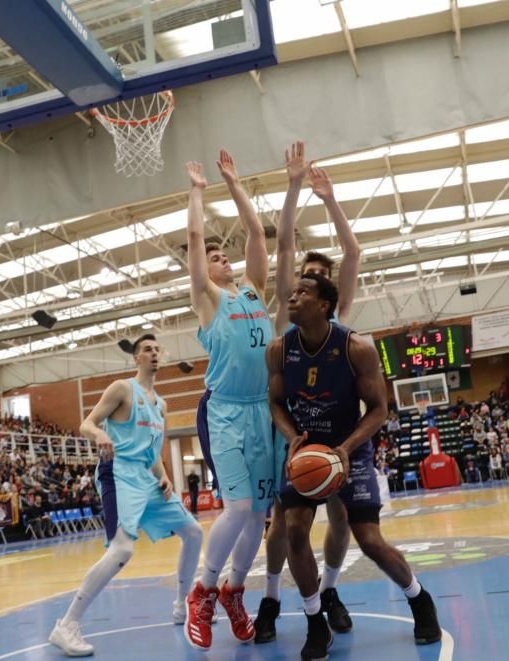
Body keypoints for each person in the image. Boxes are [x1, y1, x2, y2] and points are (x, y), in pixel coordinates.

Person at [268, 273, 440, 659]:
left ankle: (419, 598)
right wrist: (291, 435)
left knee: (369, 540)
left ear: (324, 305)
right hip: (306, 449)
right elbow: (276, 402)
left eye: (302, 293)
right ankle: (315, 622)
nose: (291, 298)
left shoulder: (356, 348)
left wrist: (345, 447)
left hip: (351, 447)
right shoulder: (279, 350)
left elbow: (379, 410)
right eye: (292, 292)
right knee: (295, 531)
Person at [255, 142, 361, 643]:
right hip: (292, 425)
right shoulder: (290, 304)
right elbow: (282, 247)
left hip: (336, 424)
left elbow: (354, 252)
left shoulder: (337, 315)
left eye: (319, 276)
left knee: (341, 514)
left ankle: (331, 588)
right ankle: (273, 597)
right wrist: (295, 184)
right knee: (282, 522)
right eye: (306, 275)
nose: (309, 280)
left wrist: (331, 200)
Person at [49, 334, 203, 657]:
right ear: (136, 358)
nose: (154, 353)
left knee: (194, 532)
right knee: (122, 550)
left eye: (157, 349)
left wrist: (165, 478)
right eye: (147, 349)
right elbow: (86, 424)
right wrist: (101, 433)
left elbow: (155, 453)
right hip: (117, 473)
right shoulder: (122, 389)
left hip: (146, 479)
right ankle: (67, 625)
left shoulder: (161, 404)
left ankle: (181, 604)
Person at [182, 153, 274, 650]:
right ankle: (204, 590)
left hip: (264, 411)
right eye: (214, 258)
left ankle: (235, 592)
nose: (221, 259)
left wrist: (235, 182)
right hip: (227, 411)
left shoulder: (256, 293)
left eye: (224, 257)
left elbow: (258, 234)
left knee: (258, 513)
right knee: (237, 506)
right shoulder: (208, 300)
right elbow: (196, 241)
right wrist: (198, 190)